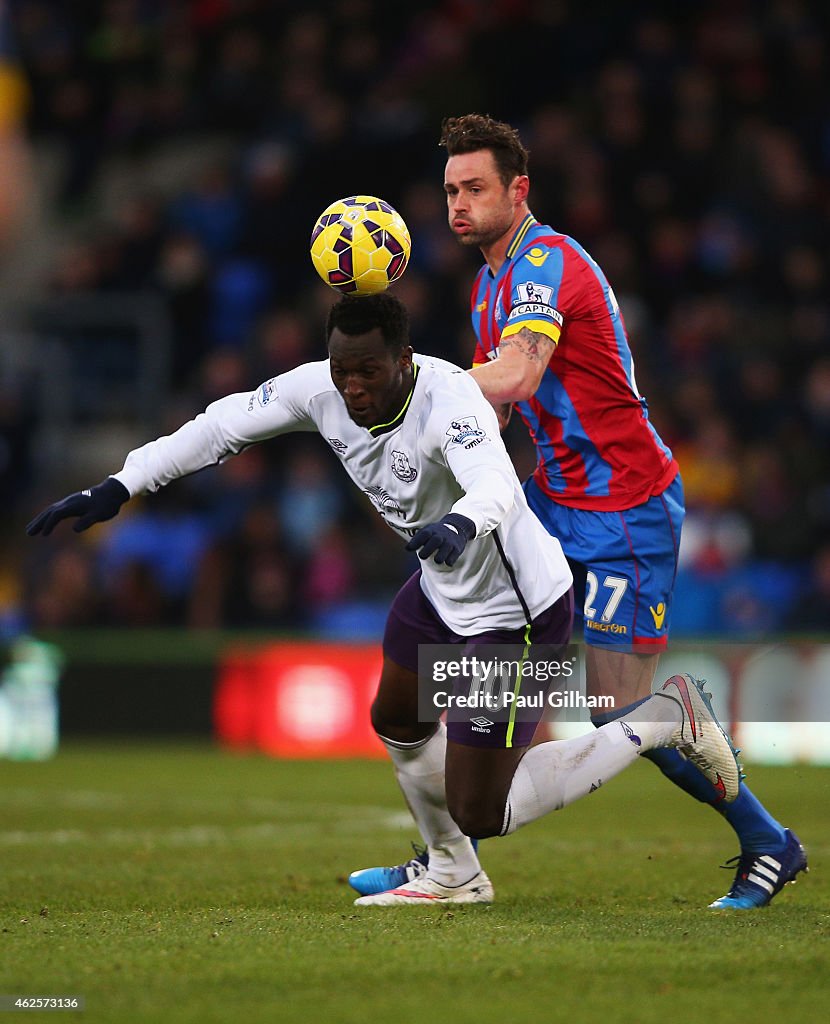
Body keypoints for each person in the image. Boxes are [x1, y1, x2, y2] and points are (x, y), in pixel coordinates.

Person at [27, 292, 740, 906]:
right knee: (396, 714)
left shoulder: (451, 399)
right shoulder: (320, 389)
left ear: (405, 359)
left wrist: (461, 522)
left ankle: (660, 717)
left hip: (516, 613)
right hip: (438, 586)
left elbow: (493, 481)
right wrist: (120, 485)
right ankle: (454, 873)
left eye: (368, 370)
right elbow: (223, 423)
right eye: (343, 371)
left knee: (482, 808)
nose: (353, 386)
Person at [351, 115, 807, 910]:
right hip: (552, 501)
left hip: (627, 509)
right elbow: (490, 410)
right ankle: (447, 859)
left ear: (518, 190)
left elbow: (518, 376)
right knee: (455, 658)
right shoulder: (487, 281)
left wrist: (410, 380)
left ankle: (769, 841)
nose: (459, 204)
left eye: (476, 188)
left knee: (619, 708)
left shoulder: (544, 265)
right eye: (451, 190)